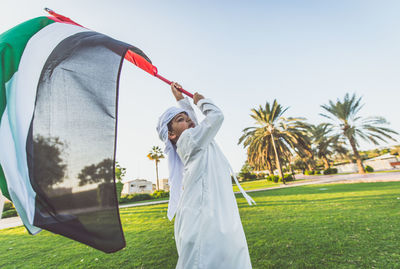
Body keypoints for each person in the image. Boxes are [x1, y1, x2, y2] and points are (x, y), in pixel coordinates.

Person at [157, 82, 255, 269]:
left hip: (208, 211)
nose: (188, 121)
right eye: (180, 120)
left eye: (187, 118)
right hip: (202, 216)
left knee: (224, 256)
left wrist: (181, 101)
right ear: (170, 134)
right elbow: (216, 116)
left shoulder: (194, 137)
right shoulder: (190, 139)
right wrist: (202, 102)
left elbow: (192, 120)